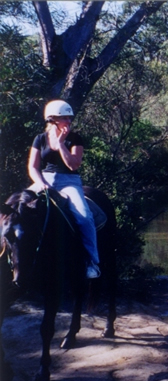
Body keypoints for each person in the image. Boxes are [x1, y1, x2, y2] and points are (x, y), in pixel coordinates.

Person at [28, 100, 101, 279]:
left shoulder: (74, 139)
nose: (68, 121)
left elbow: (73, 165)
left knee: (84, 216)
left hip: (69, 182)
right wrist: (42, 183)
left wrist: (61, 144)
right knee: (16, 206)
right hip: (44, 180)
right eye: (64, 118)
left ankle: (92, 262)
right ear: (52, 119)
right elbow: (33, 167)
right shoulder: (40, 139)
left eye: (69, 117)